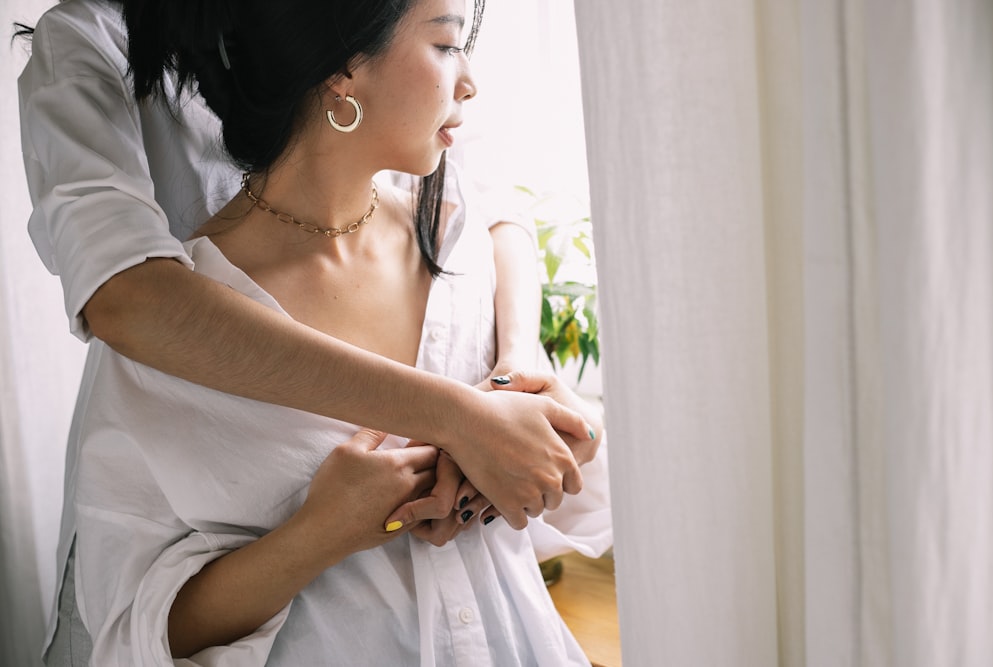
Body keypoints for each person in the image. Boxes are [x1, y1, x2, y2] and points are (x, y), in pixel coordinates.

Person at [17, 0, 609, 663]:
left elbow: (494, 203)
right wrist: (331, 523)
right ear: (340, 73)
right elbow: (127, 297)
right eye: (447, 47)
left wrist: (524, 399)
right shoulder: (174, 339)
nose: (470, 82)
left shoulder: (452, 239)